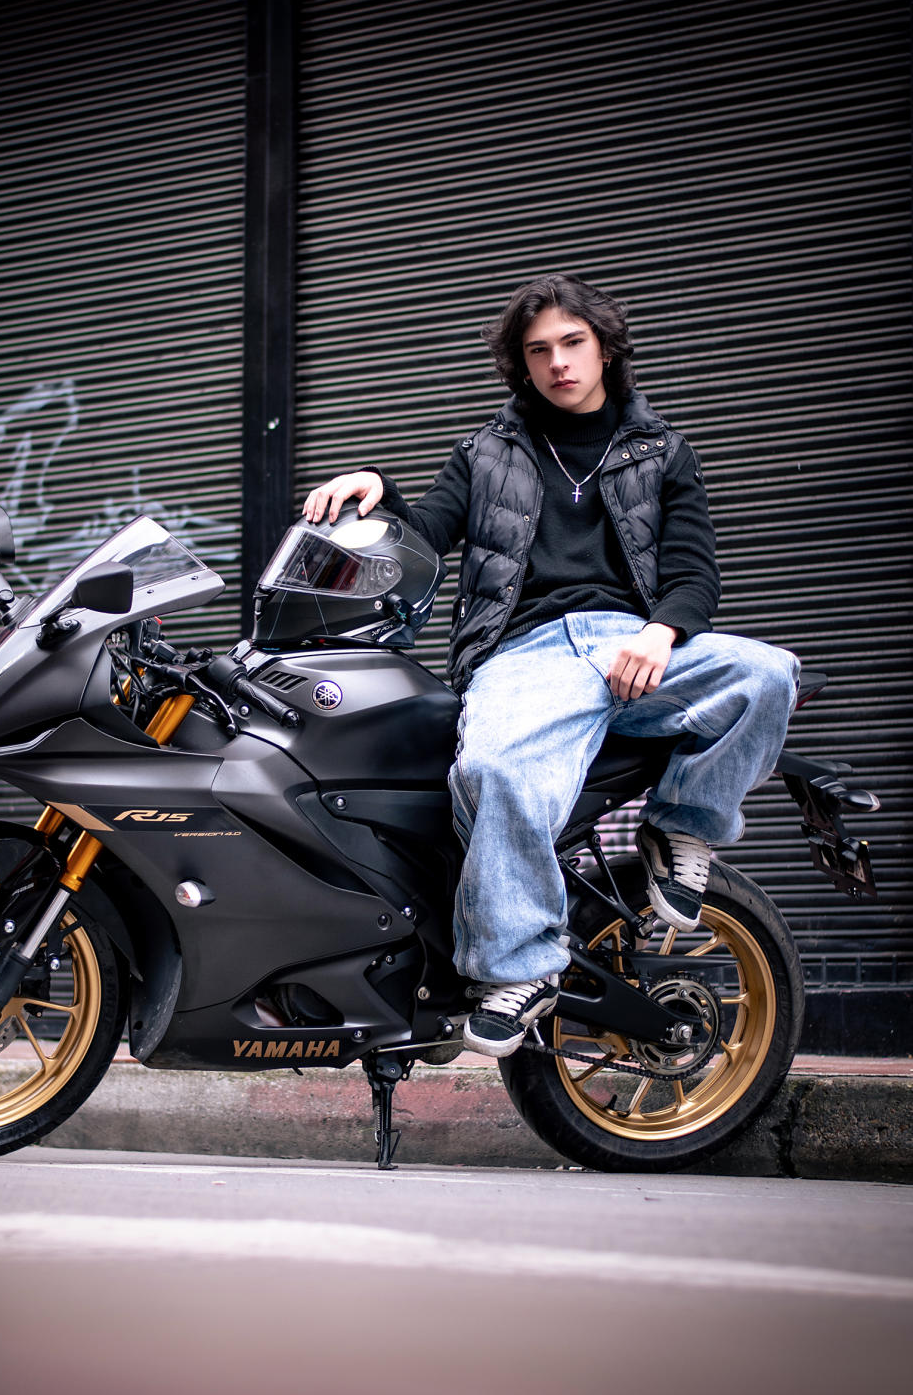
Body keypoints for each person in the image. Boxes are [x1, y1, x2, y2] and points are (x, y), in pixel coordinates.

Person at [303, 273, 799, 1058]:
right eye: (538, 351)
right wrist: (380, 492)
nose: (558, 362)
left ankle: (681, 831)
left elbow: (693, 575)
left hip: (636, 647)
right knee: (493, 770)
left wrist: (662, 632)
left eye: (572, 342)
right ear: (521, 365)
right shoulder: (485, 454)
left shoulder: (662, 452)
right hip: (527, 652)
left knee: (767, 673)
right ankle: (519, 967)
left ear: (604, 348)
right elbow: (426, 533)